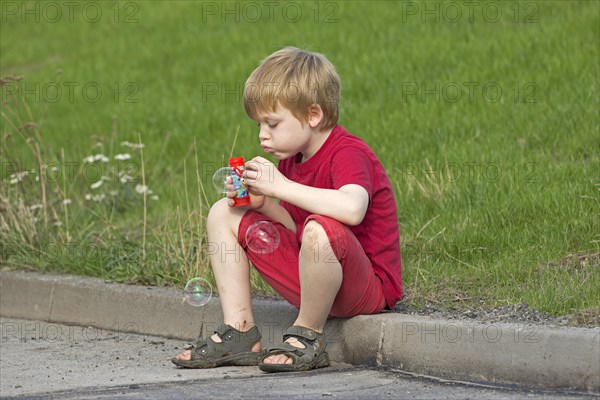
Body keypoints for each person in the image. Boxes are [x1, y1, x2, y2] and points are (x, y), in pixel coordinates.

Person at [172, 47, 402, 373]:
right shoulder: (292, 160)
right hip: (313, 280)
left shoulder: (348, 152)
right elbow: (298, 230)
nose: (262, 135)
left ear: (313, 115)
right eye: (259, 125)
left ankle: (308, 335)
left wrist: (279, 186)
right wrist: (265, 204)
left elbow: (352, 209)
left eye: (272, 124)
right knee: (224, 212)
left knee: (321, 228)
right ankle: (239, 331)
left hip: (364, 290)